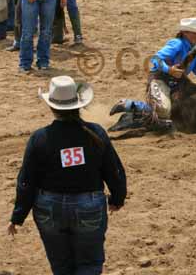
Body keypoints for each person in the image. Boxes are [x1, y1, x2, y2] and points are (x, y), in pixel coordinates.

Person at [8, 76, 127, 274]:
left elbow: (27, 181)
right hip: (89, 205)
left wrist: (18, 215)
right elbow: (113, 169)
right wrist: (117, 198)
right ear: (78, 104)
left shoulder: (40, 138)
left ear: (52, 107)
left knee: (61, 266)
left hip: (49, 208)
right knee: (89, 264)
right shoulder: (95, 133)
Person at [110, 18, 196, 121]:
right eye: (194, 33)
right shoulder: (177, 44)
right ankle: (130, 104)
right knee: (164, 111)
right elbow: (156, 58)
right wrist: (169, 70)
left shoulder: (194, 51)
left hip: (179, 84)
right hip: (161, 79)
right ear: (185, 33)